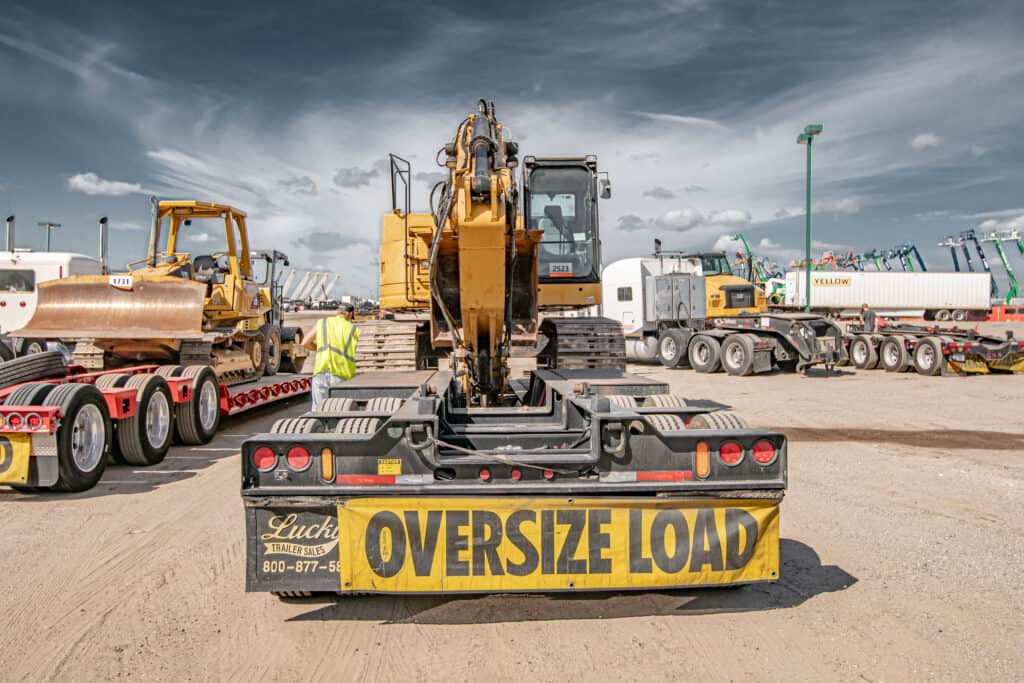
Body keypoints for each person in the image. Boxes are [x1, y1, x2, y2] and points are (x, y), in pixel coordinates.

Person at [301, 302, 359, 411]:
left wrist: (318, 349)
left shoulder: (322, 323)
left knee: (318, 411)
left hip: (320, 372)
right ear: (350, 314)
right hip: (341, 375)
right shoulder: (353, 329)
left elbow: (305, 342)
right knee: (340, 412)